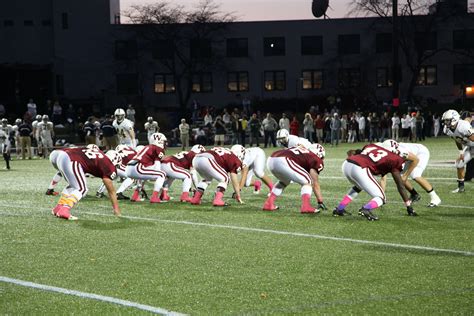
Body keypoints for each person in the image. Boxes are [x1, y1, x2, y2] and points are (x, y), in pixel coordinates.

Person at [333, 142, 419, 221]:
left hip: (346, 164)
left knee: (359, 186)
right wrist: (408, 206)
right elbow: (400, 185)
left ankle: (340, 209)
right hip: (360, 168)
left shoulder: (372, 146)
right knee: (381, 198)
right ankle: (366, 209)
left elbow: (354, 152)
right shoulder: (396, 159)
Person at [49, 145, 122, 220]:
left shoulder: (100, 156)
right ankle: (64, 209)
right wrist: (116, 209)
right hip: (72, 159)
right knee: (82, 189)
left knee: (73, 186)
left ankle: (58, 208)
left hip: (62, 155)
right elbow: (111, 191)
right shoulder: (109, 165)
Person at [263, 144, 327, 213]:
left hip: (271, 159)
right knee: (308, 180)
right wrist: (320, 201)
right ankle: (306, 206)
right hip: (283, 160)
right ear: (320, 154)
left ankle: (269, 204)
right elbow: (315, 182)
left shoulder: (304, 151)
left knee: (284, 181)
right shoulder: (316, 158)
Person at [380, 140, 441, 207]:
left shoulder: (400, 152)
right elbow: (383, 178)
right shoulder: (383, 151)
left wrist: (406, 175)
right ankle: (414, 194)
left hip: (420, 152)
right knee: (399, 176)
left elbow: (415, 159)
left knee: (415, 174)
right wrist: (381, 197)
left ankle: (435, 198)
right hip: (409, 157)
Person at [125, 133, 167, 203]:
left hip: (129, 168)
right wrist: (157, 177)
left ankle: (135, 196)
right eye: (164, 141)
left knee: (143, 176)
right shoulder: (158, 148)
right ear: (159, 141)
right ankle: (154, 197)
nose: (165, 143)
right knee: (162, 174)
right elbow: (157, 164)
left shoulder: (147, 147)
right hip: (137, 167)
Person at [441, 109, 474, 193]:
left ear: (454, 119)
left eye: (448, 120)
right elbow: (457, 139)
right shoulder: (447, 129)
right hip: (470, 147)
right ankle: (461, 187)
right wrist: (461, 152)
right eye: (445, 120)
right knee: (459, 164)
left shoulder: (463, 126)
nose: (446, 123)